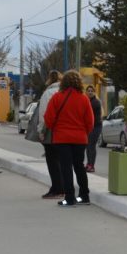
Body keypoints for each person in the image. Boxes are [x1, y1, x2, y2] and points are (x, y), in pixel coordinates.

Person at [44, 69, 93, 207]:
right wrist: (84, 133)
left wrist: (55, 129)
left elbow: (48, 119)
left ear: (63, 82)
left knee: (66, 168)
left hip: (62, 138)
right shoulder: (84, 98)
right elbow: (90, 121)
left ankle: (70, 198)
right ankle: (84, 196)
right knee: (79, 166)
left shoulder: (57, 97)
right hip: (80, 138)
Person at [36, 71, 64, 199]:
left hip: (51, 130)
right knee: (62, 160)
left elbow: (44, 114)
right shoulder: (66, 92)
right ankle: (61, 188)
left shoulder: (48, 93)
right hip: (65, 130)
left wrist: (41, 131)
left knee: (52, 161)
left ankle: (57, 188)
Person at [85, 85, 102, 173]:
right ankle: (88, 164)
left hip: (95, 127)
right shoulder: (88, 101)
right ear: (86, 92)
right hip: (89, 127)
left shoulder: (95, 102)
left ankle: (91, 166)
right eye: (88, 91)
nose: (90, 92)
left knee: (91, 146)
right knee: (88, 146)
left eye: (92, 91)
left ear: (94, 92)